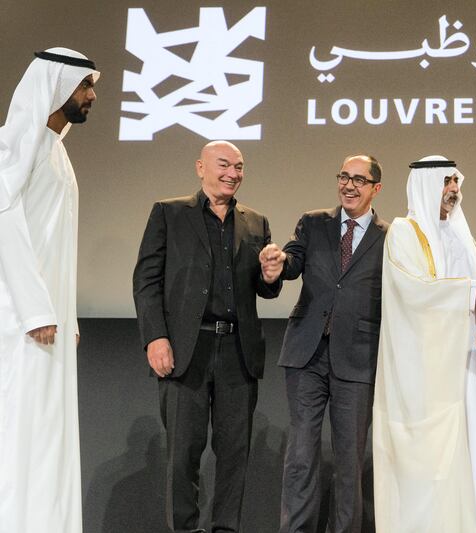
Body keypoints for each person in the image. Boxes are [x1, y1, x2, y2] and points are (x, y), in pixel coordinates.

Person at [132, 140, 281, 533]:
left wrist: (270, 276)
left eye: (240, 166)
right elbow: (146, 280)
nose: (233, 173)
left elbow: (264, 289)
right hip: (186, 348)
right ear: (200, 167)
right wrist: (155, 338)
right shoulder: (168, 212)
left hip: (238, 350)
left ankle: (225, 529)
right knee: (183, 454)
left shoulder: (256, 221)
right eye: (224, 164)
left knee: (234, 454)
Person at [373, 156, 476, 533]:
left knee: (475, 456)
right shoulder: (405, 232)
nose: (454, 189)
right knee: (434, 465)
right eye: (446, 181)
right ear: (425, 185)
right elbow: (413, 292)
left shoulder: (461, 235)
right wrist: (473, 291)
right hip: (428, 375)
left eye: (456, 181)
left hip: (470, 366)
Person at [260, 155, 388, 533]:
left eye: (359, 180)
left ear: (375, 188)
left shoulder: (390, 235)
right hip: (307, 354)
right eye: (344, 177)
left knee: (349, 462)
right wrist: (279, 263)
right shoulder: (315, 223)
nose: (349, 185)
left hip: (358, 357)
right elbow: (294, 258)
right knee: (301, 455)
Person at [0, 47, 99, 533]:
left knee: (50, 433)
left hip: (49, 319)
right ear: (58, 86)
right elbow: (4, 221)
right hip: (22, 321)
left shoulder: (54, 148)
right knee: (25, 430)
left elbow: (55, 242)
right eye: (85, 85)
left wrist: (67, 313)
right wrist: (38, 307)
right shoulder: (18, 140)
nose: (92, 95)